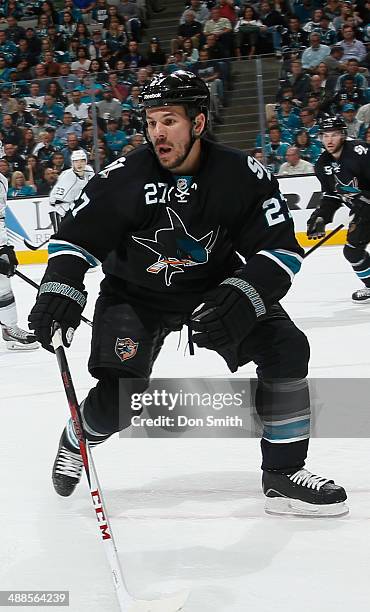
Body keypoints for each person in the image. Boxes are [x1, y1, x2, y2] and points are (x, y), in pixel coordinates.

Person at [28, 70, 347, 516]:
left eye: (169, 120)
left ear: (198, 123)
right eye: (151, 120)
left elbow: (280, 249)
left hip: (215, 289)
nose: (157, 131)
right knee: (121, 398)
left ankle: (282, 471)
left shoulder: (241, 175)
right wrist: (61, 287)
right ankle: (81, 433)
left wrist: (245, 293)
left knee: (287, 348)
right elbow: (75, 240)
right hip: (134, 295)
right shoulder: (122, 178)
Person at [307, 115, 370, 303]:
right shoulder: (322, 165)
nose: (329, 140)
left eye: (334, 135)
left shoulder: (360, 152)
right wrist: (321, 217)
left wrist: (363, 196)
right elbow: (331, 196)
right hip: (364, 213)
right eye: (325, 135)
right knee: (352, 252)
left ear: (343, 135)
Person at [0, 141, 39, 350]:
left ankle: (9, 329)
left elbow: (0, 218)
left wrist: (5, 249)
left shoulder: (1, 181)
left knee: (2, 285)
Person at [49, 149, 94, 232]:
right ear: (72, 163)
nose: (79, 164)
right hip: (59, 209)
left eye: (82, 161)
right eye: (76, 161)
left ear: (86, 161)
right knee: (61, 234)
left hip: (74, 208)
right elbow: (54, 200)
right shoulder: (68, 177)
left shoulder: (89, 170)